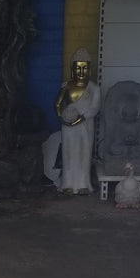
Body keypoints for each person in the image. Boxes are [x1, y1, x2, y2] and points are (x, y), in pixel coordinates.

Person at [54, 48, 101, 194]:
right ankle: (68, 183)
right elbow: (57, 104)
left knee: (84, 153)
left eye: (85, 68)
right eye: (78, 68)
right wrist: (62, 117)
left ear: (89, 69)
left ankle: (83, 184)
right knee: (68, 153)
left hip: (85, 125)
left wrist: (80, 118)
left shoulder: (94, 88)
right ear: (73, 69)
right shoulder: (66, 86)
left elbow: (95, 108)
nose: (81, 71)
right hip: (68, 126)